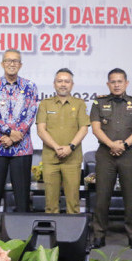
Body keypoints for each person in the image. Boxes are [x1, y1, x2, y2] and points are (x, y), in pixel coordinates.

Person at [0, 49, 39, 238]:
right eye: (8, 61)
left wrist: (16, 136)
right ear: (2, 64)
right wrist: (8, 133)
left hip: (21, 149)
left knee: (22, 196)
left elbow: (31, 114)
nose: (12, 64)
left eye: (16, 61)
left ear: (21, 65)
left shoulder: (30, 87)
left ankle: (22, 235)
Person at [90, 68, 132, 250]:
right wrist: (112, 145)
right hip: (106, 154)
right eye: (113, 82)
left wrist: (124, 145)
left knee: (131, 197)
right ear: (108, 84)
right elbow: (96, 129)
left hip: (128, 154)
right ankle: (98, 235)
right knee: (102, 197)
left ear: (126, 83)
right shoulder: (99, 102)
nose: (116, 85)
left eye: (119, 81)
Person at [36, 68, 90, 215]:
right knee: (51, 204)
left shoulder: (79, 103)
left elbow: (84, 128)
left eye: (67, 81)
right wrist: (56, 147)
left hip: (72, 159)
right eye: (60, 81)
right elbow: (41, 130)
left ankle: (73, 236)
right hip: (50, 158)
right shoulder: (45, 104)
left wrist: (70, 147)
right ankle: (52, 236)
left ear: (72, 85)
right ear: (54, 84)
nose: (63, 84)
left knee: (73, 203)